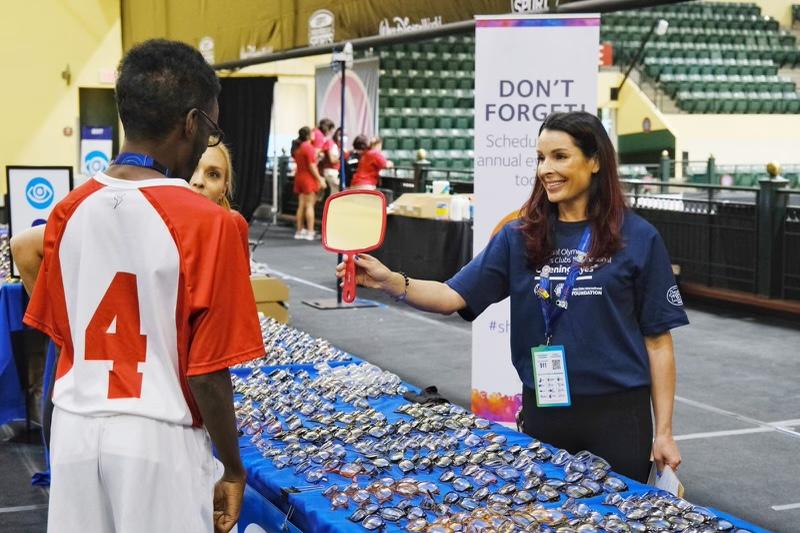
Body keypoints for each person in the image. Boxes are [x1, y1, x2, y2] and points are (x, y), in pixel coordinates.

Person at [337, 111, 688, 483]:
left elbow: (658, 343)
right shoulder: (519, 236)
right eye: (540, 158)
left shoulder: (639, 237)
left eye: (560, 156)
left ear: (596, 160)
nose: (545, 169)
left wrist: (663, 431)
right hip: (544, 410)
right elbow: (452, 295)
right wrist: (392, 281)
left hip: (619, 417)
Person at [21, 39, 265, 533]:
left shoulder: (69, 210)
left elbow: (63, 337)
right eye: (211, 127)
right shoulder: (212, 224)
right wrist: (233, 468)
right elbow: (206, 373)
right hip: (159, 440)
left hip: (73, 428)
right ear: (192, 123)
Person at [190, 143, 250, 261]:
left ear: (224, 189)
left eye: (213, 174)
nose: (199, 181)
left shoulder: (235, 223)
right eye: (192, 168)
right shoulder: (156, 221)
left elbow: (237, 278)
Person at [292, 126, 324, 240]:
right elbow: (312, 166)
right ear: (308, 135)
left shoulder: (299, 148)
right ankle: (310, 232)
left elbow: (308, 162)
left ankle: (299, 231)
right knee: (310, 205)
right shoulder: (308, 147)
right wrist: (320, 179)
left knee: (301, 205)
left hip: (299, 177)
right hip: (308, 179)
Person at [320, 127, 342, 193]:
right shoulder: (330, 143)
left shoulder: (338, 145)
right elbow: (332, 160)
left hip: (334, 171)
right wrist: (341, 157)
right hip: (330, 171)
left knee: (335, 192)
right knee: (335, 192)